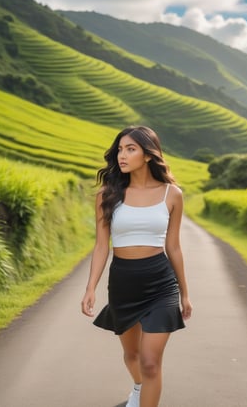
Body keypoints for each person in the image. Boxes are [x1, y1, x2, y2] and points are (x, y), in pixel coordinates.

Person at [81, 125, 192, 407]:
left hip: (160, 284)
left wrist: (184, 293)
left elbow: (174, 247)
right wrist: (90, 287)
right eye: (120, 149)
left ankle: (144, 394)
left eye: (131, 149)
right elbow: (101, 246)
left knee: (151, 362)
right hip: (123, 282)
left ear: (147, 155)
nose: (122, 155)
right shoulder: (107, 194)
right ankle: (139, 389)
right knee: (132, 356)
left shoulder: (172, 194)